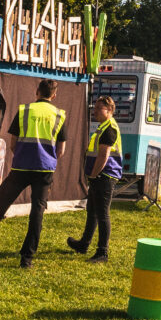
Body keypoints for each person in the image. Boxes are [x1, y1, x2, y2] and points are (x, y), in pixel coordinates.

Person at [0, 79, 68, 269]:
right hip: (45, 170)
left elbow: (13, 144)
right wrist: (48, 159)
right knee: (37, 213)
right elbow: (61, 150)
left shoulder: (24, 110)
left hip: (21, 168)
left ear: (37, 91)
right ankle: (27, 259)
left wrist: (23, 156)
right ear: (54, 95)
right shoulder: (59, 115)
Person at [67, 95, 119, 262]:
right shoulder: (102, 127)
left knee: (102, 214)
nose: (94, 111)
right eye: (94, 108)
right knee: (92, 212)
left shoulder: (109, 128)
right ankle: (84, 244)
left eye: (99, 109)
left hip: (104, 175)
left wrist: (94, 174)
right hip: (98, 176)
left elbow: (103, 155)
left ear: (109, 110)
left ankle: (102, 252)